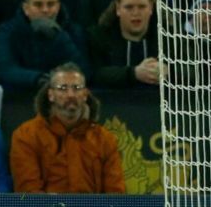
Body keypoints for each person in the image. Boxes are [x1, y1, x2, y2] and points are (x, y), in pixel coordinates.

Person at [9, 61, 126, 193]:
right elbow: (28, 192)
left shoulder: (105, 139)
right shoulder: (26, 135)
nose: (70, 95)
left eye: (77, 88)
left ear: (85, 95)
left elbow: (116, 194)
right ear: (51, 95)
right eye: (63, 88)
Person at [0, 0, 88, 91]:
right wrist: (40, 79)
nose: (45, 10)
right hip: (20, 96)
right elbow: (5, 69)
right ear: (26, 8)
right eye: (38, 5)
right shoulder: (7, 31)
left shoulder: (73, 31)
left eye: (51, 4)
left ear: (58, 7)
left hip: (63, 94)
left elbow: (84, 70)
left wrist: (59, 37)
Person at [87, 0, 160, 88]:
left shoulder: (168, 36)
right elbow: (93, 74)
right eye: (129, 7)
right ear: (118, 9)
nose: (136, 13)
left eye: (142, 7)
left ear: (151, 8)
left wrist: (169, 71)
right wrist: (133, 73)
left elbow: (193, 70)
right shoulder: (98, 36)